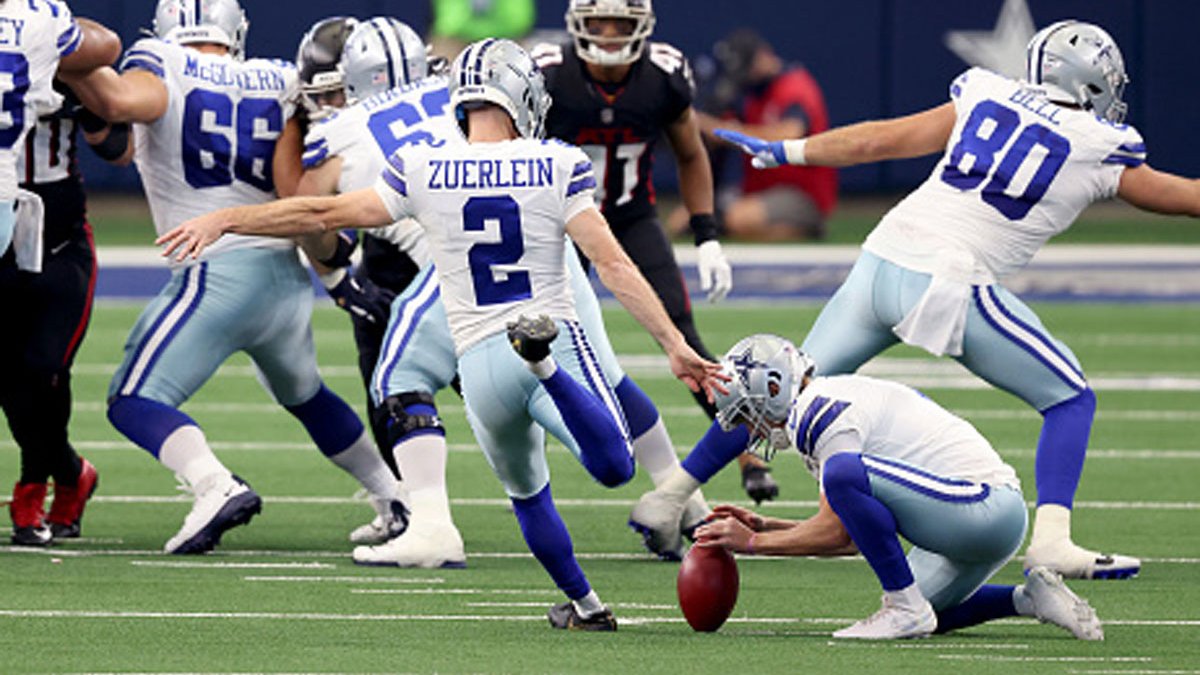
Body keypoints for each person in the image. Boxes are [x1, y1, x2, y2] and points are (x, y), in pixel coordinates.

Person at [155, 38, 726, 629]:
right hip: (547, 337)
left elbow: (318, 214)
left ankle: (585, 606)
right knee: (613, 467)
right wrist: (674, 344)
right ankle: (546, 368)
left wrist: (227, 218)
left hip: (478, 362)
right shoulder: (559, 162)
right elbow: (614, 265)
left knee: (528, 494)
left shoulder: (422, 167)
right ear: (523, 96)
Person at [712, 20, 1197, 580]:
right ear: (1091, 82)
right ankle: (1052, 541)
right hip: (947, 278)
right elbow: (1185, 199)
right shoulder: (1099, 145)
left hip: (883, 254)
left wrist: (786, 150)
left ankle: (674, 494)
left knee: (779, 385)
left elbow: (877, 139)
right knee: (1070, 398)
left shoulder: (986, 93)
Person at [294, 19, 709, 566]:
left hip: (465, 270)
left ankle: (428, 522)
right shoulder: (457, 95)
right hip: (546, 251)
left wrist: (336, 278)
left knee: (397, 375)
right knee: (605, 376)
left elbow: (313, 215)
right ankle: (686, 499)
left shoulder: (342, 132)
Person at [59, 0, 406, 554]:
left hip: (215, 274)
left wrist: (59, 56)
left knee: (132, 399)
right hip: (283, 277)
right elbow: (298, 194)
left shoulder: (162, 59)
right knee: (307, 395)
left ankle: (212, 483)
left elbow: (121, 101)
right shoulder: (280, 77)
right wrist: (335, 274)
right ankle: (394, 497)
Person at [692, 334, 1104, 640]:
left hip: (982, 508)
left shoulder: (815, 411)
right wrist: (765, 526)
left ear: (774, 389)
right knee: (929, 611)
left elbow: (840, 528)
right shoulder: (828, 398)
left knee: (846, 483)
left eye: (747, 416)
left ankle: (904, 609)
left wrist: (751, 544)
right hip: (978, 514)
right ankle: (1029, 599)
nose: (751, 430)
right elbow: (847, 532)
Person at [531, 0, 780, 505]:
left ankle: (745, 453)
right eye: (596, 23)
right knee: (545, 336)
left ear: (640, 27)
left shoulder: (662, 76)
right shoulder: (549, 77)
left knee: (684, 337)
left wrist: (707, 233)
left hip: (629, 217)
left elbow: (690, 153)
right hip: (563, 224)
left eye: (618, 24)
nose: (606, 35)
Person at [2, 8, 124, 546]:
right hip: (7, 237)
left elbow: (118, 146)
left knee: (46, 368)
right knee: (11, 378)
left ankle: (39, 482)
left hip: (59, 237)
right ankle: (69, 472)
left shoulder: (54, 50)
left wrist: (79, 86)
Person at [689, 28, 837, 241]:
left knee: (737, 220)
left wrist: (724, 131)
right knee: (689, 218)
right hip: (757, 190)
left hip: (800, 192)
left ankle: (806, 231)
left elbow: (790, 134)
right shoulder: (752, 93)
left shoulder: (795, 86)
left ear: (763, 56)